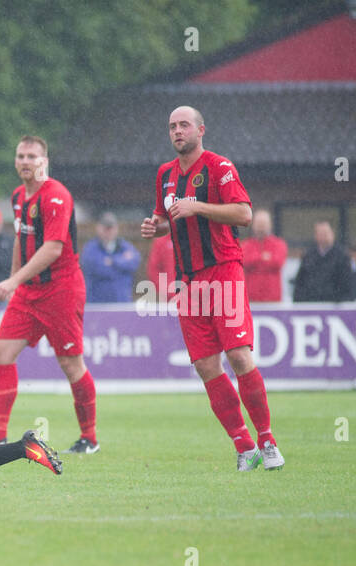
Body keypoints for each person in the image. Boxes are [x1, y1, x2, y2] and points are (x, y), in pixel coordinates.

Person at [141, 105, 282, 471]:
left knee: (237, 356)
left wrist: (198, 207)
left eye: (184, 125)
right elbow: (165, 219)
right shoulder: (165, 175)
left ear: (201, 130)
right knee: (205, 366)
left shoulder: (219, 167)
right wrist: (153, 227)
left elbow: (244, 214)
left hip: (223, 271)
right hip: (187, 282)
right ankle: (244, 446)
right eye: (172, 126)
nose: (177, 131)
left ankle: (267, 441)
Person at [0, 136, 98, 455]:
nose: (25, 161)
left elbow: (53, 248)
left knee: (70, 364)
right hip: (29, 292)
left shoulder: (56, 196)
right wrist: (15, 280)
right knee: (1, 353)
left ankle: (89, 438)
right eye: (20, 156)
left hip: (61, 291)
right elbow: (21, 242)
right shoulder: (19, 196)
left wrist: (13, 281)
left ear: (44, 161)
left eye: (32, 156)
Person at [79, 212, 140, 303]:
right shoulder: (90, 248)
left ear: (116, 229)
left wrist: (113, 261)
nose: (108, 231)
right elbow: (97, 268)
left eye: (111, 228)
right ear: (98, 228)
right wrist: (121, 264)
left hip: (121, 303)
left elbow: (134, 262)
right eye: (105, 228)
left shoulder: (125, 246)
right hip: (97, 304)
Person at [293, 221, 351, 303]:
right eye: (320, 233)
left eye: (326, 233)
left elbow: (346, 284)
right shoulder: (309, 256)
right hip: (311, 305)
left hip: (334, 306)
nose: (323, 236)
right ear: (315, 236)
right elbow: (300, 282)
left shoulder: (342, 256)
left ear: (332, 233)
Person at [239, 210, 288, 303]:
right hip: (251, 298)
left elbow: (277, 263)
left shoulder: (279, 244)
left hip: (273, 299)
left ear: (270, 225)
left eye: (264, 224)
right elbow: (244, 262)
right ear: (253, 225)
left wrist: (255, 260)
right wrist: (262, 257)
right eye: (259, 224)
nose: (261, 227)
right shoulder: (245, 245)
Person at [146, 228, 177, 304]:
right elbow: (153, 269)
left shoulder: (193, 240)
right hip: (167, 298)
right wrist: (165, 290)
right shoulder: (162, 241)